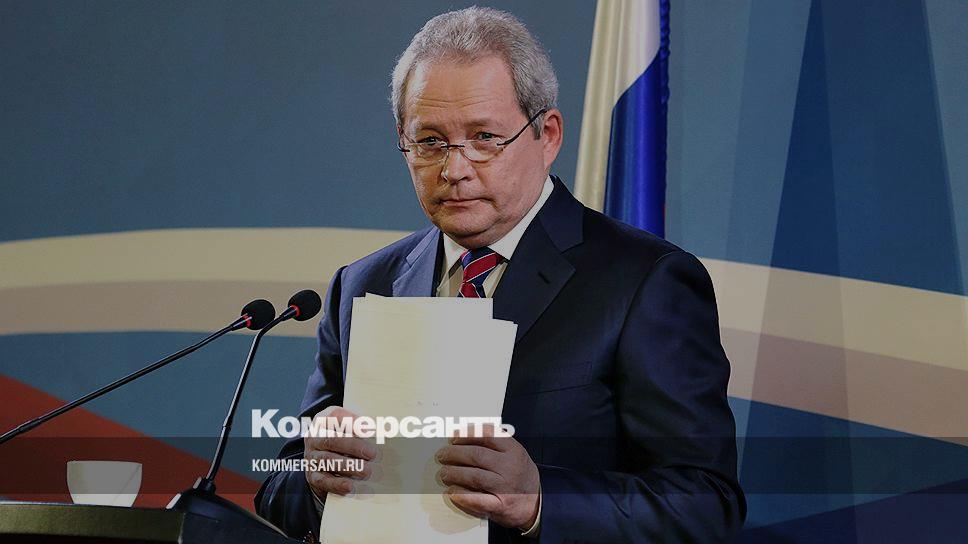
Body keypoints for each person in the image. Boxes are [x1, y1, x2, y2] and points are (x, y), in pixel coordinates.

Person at [256, 7, 744, 543]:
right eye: (430, 141)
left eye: (485, 137)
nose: (454, 169)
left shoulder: (646, 281)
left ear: (547, 135)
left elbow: (706, 505)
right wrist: (315, 480)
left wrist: (539, 499)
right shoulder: (362, 284)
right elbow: (279, 492)